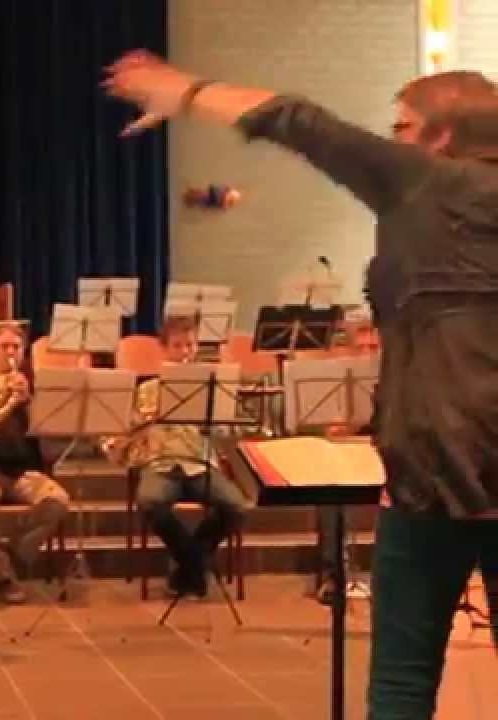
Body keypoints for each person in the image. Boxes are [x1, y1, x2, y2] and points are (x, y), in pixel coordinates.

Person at [105, 52, 498, 718]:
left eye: (402, 127)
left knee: (401, 688)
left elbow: (303, 123)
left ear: (440, 137)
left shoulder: (429, 184)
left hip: (438, 473)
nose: (392, 139)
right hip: (444, 465)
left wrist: (185, 92)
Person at [105, 316, 252, 597]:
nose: (185, 352)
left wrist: (219, 423)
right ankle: (195, 563)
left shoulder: (211, 388)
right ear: (164, 348)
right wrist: (140, 426)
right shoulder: (147, 390)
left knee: (236, 506)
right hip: (160, 463)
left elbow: (226, 432)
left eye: (190, 345)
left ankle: (187, 567)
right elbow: (124, 433)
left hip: (200, 465)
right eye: (177, 346)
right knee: (150, 501)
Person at [0, 323, 71, 603]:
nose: (10, 352)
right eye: (3, 347)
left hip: (24, 472)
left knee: (58, 501)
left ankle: (13, 559)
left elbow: (51, 444)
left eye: (16, 347)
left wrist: (29, 403)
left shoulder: (35, 390)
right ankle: (4, 578)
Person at [315, 321, 381, 606]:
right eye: (362, 347)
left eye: (374, 347)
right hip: (352, 455)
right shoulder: (342, 381)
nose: (368, 353)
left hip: (387, 457)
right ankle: (334, 576)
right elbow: (331, 432)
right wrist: (349, 425)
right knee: (331, 494)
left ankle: (392, 577)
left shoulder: (396, 378)